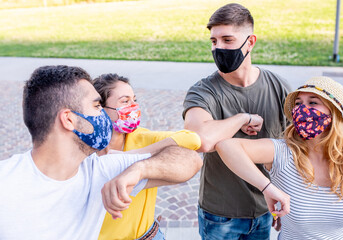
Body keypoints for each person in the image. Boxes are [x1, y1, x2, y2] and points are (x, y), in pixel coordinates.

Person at [0, 65, 202, 239]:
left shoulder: (100, 170)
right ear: (69, 119)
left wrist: (139, 170)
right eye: (97, 106)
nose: (103, 117)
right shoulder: (6, 184)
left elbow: (190, 160)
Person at [182, 3, 291, 239]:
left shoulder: (278, 87)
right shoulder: (202, 92)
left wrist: (286, 199)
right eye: (214, 41)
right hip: (220, 214)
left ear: (250, 42)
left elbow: (295, 149)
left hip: (265, 209)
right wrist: (242, 118)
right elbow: (200, 140)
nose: (218, 48)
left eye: (227, 40)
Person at [216, 76, 343, 239]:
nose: (302, 109)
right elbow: (225, 146)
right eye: (298, 103)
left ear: (334, 113)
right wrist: (267, 189)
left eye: (313, 102)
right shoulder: (282, 152)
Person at [92, 73, 201, 240]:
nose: (133, 106)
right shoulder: (84, 148)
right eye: (125, 101)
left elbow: (192, 139)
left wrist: (132, 158)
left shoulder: (141, 137)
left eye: (134, 100)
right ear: (101, 108)